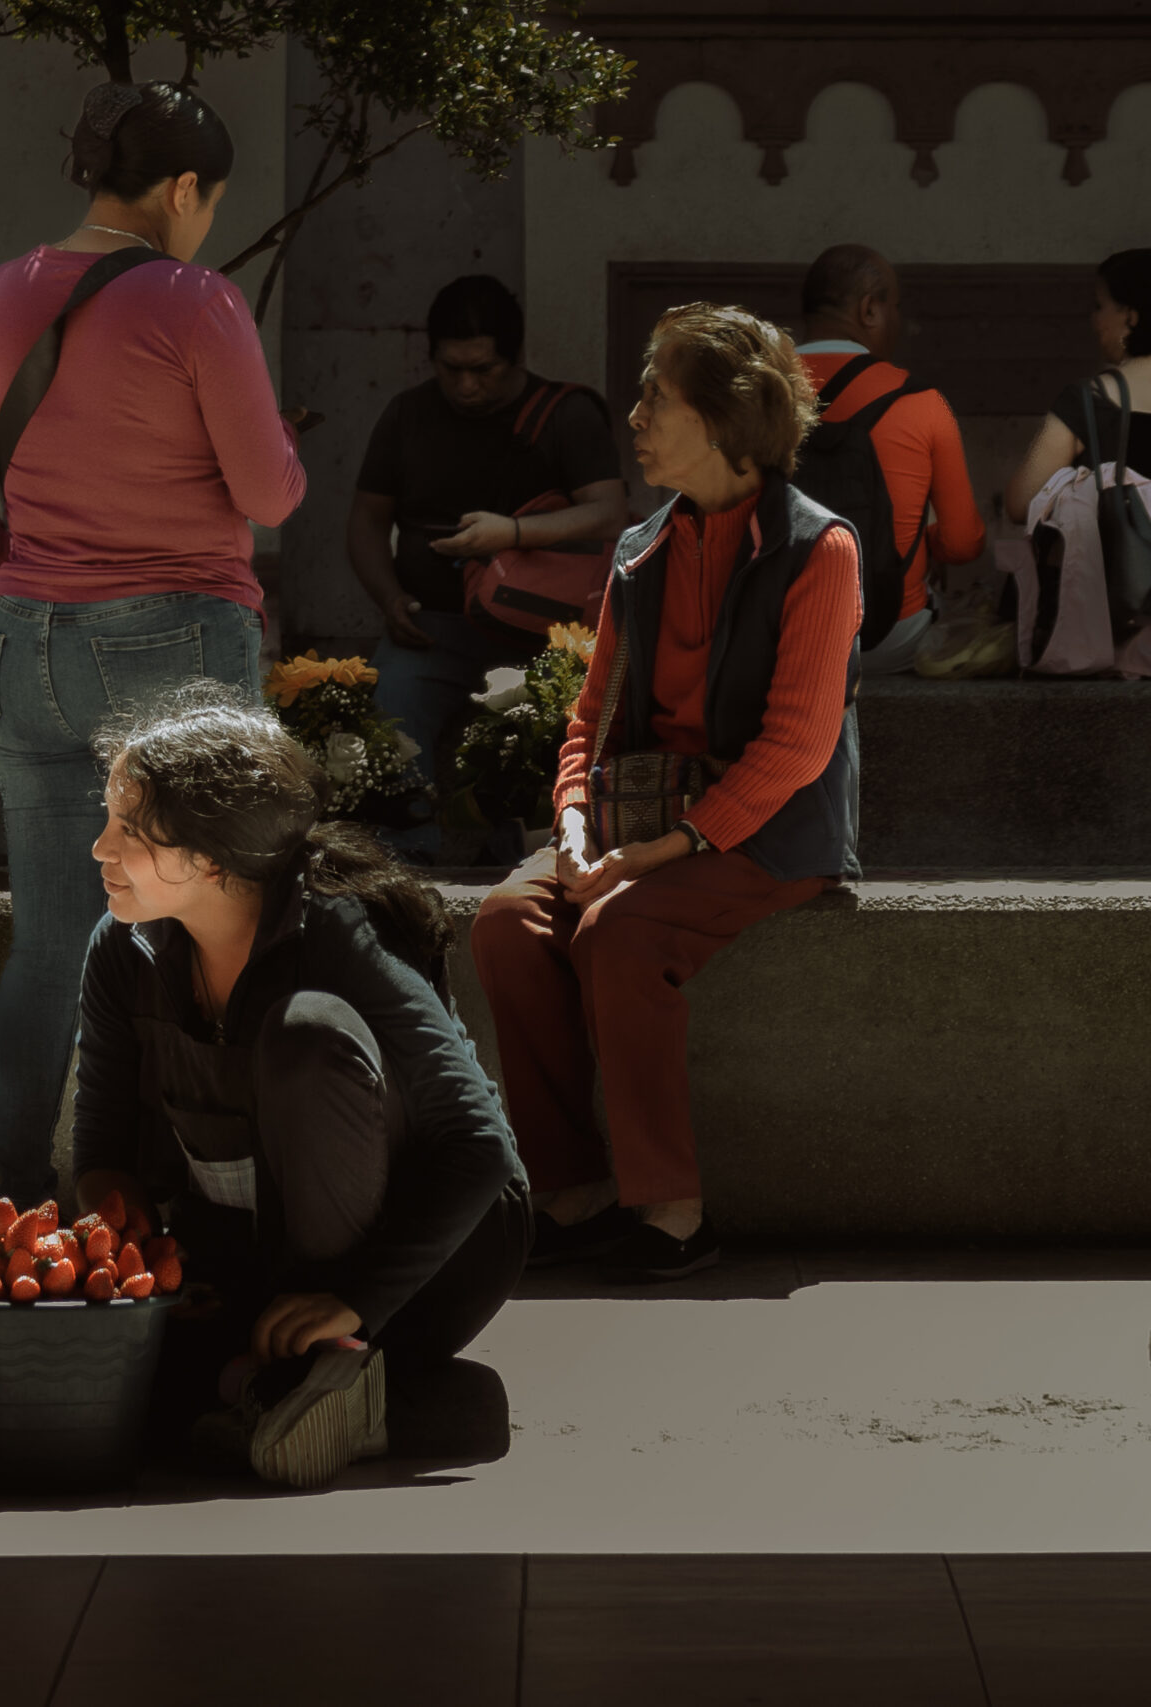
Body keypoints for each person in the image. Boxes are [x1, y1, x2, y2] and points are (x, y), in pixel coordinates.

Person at [0, 80, 307, 1208]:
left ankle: (26, 1197)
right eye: (209, 200)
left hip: (18, 644)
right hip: (172, 637)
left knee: (49, 945)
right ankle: (208, 1192)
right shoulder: (196, 301)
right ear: (182, 189)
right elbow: (269, 492)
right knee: (213, 921)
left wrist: (19, 577)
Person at [470, 304, 862, 1284]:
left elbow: (795, 750)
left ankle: (672, 1213)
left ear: (726, 419)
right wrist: (566, 825)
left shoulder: (820, 552)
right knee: (506, 923)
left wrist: (659, 854)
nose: (634, 415)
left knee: (620, 932)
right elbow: (588, 715)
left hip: (762, 835)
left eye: (656, 396)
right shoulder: (640, 551)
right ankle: (569, 1192)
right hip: (634, 822)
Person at [71, 680, 527, 1489]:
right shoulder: (123, 952)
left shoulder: (338, 931)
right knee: (107, 1407)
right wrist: (123, 1229)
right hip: (250, 1265)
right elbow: (104, 1151)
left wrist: (352, 1297)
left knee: (305, 1033)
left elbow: (480, 1146)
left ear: (210, 856)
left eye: (129, 830)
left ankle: (329, 1374)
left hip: (417, 1268)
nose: (101, 848)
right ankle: (356, 1405)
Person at [350, 274, 629, 857]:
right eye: (453, 369)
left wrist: (513, 534)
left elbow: (609, 512)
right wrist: (388, 598)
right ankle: (406, 861)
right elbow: (367, 521)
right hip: (433, 627)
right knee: (388, 718)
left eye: (485, 370)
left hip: (544, 635)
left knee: (545, 741)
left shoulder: (565, 414)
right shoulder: (407, 415)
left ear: (514, 357)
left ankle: (532, 863)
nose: (468, 385)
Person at [791, 245, 985, 673]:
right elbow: (963, 544)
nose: (899, 320)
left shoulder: (750, 393)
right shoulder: (921, 401)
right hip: (883, 638)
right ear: (870, 311)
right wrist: (920, 525)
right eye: (894, 307)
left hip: (772, 640)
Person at [1004, 248, 1151, 524]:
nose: (1094, 319)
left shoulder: (1091, 400)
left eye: (1099, 306)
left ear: (1130, 317)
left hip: (1122, 566)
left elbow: (1021, 502)